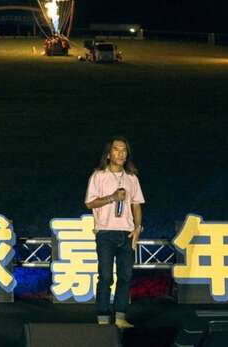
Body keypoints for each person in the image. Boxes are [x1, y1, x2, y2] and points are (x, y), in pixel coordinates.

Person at [85, 137, 144, 330]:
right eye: (116, 150)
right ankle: (103, 318)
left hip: (126, 233)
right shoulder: (99, 176)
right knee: (106, 277)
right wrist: (112, 197)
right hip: (106, 233)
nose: (121, 154)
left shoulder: (131, 178)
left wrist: (137, 228)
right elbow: (90, 203)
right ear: (109, 154)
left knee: (125, 276)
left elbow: (136, 205)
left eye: (124, 150)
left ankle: (120, 317)